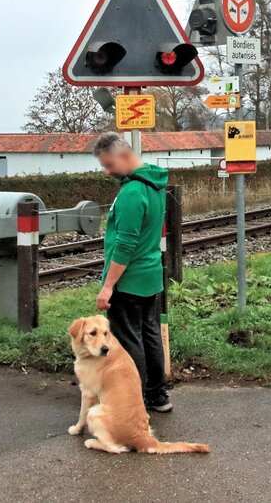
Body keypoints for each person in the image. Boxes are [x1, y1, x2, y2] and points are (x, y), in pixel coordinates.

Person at [91, 131, 172, 413]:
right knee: (149, 334)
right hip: (150, 275)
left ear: (125, 156)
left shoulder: (132, 192)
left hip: (129, 280)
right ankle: (157, 396)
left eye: (109, 165)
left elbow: (125, 245)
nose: (106, 172)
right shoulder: (155, 183)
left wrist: (107, 286)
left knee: (127, 341)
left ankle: (131, 399)